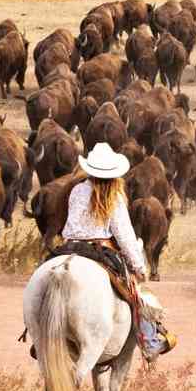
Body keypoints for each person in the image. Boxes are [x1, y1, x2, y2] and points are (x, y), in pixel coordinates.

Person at [59, 144, 175, 357]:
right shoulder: (115, 196)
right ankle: (149, 342)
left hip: (68, 247)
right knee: (135, 294)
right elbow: (125, 236)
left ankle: (37, 334)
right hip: (99, 250)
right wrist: (139, 268)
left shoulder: (76, 189)